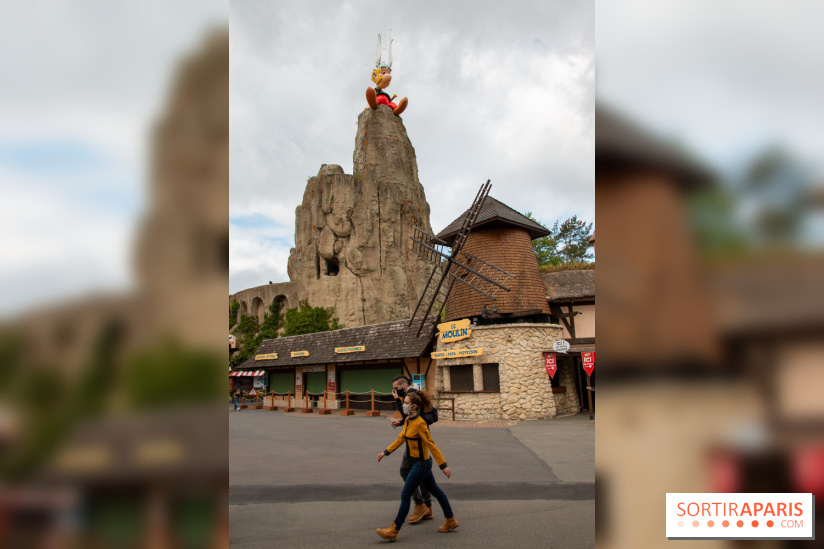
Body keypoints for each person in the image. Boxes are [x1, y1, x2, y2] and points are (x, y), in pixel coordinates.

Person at [375, 390, 459, 541]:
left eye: (406, 403)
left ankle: (394, 529)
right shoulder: (408, 421)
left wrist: (443, 466)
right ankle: (450, 519)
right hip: (417, 463)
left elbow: (431, 445)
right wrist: (385, 452)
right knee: (436, 491)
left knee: (405, 494)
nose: (404, 406)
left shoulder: (421, 424)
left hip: (422, 464)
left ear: (414, 407)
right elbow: (401, 438)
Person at [390, 375, 436, 524]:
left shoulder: (413, 396)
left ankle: (420, 503)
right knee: (423, 473)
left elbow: (410, 414)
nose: (395, 390)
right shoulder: (412, 395)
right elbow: (408, 416)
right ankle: (427, 506)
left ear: (403, 386)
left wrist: (398, 401)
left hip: (416, 439)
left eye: (396, 388)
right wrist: (401, 423)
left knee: (406, 470)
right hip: (414, 436)